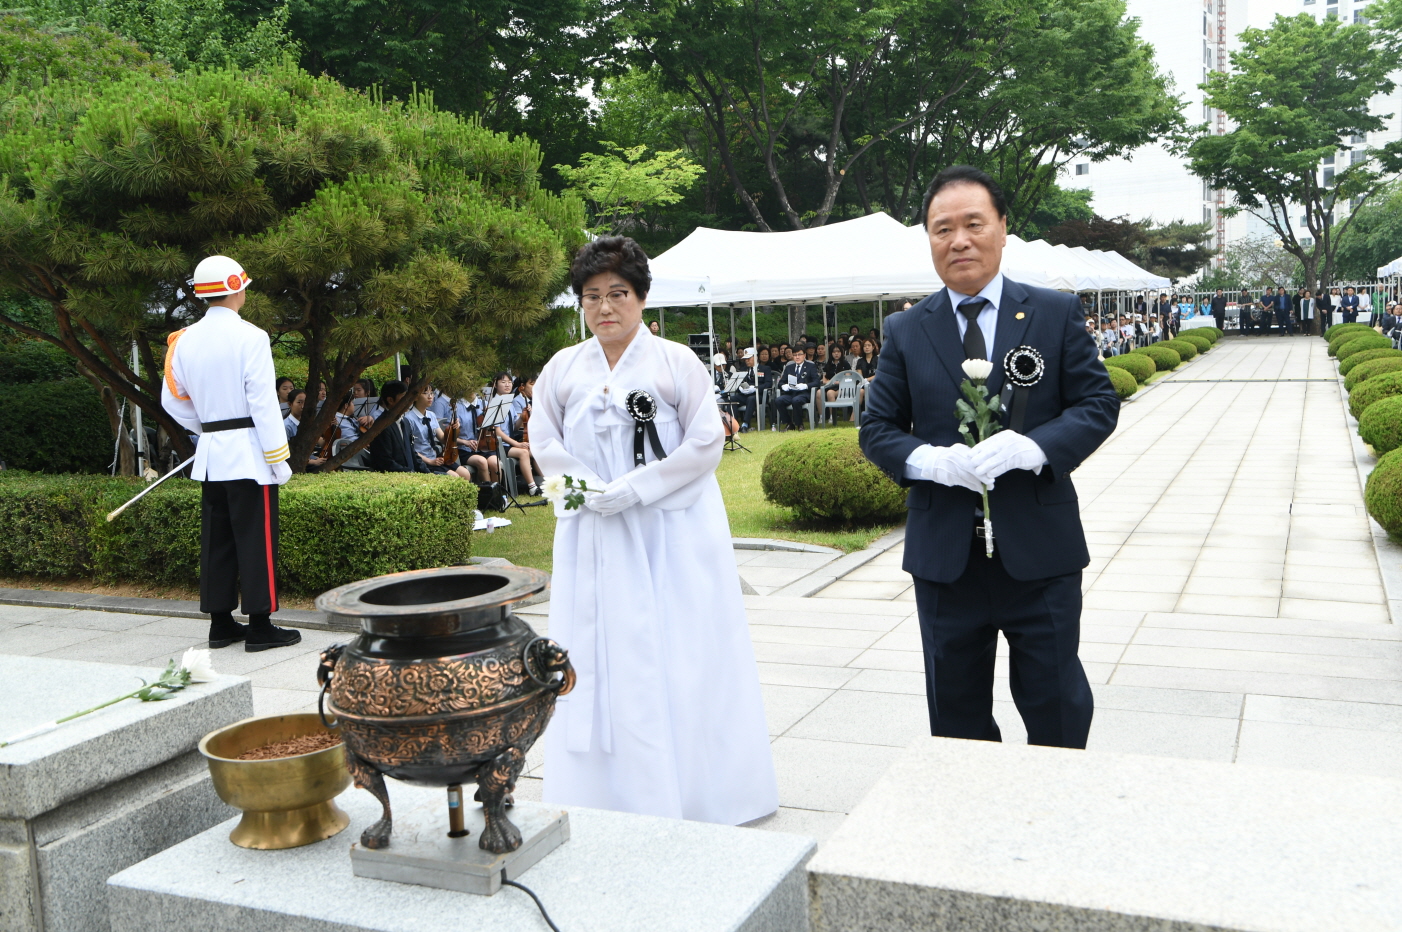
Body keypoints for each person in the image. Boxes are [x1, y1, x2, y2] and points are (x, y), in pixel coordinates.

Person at [859, 165, 1118, 749]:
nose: (959, 241)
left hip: (1040, 550)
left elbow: (1098, 403)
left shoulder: (1053, 312)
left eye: (973, 224)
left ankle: (1056, 795)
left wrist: (1036, 447)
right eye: (942, 229)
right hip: (946, 558)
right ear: (929, 239)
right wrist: (928, 460)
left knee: (1057, 705)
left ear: (1002, 228)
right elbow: (876, 428)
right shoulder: (906, 328)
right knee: (956, 716)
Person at [531, 235, 777, 825]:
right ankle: (601, 792)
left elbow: (705, 440)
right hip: (593, 531)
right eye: (592, 296)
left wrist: (640, 487)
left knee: (680, 650)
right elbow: (544, 440)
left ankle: (695, 792)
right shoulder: (563, 368)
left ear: (641, 297)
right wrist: (589, 492)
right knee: (596, 652)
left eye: (618, 293)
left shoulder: (675, 361)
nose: (605, 307)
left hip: (669, 534)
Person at [161, 255, 300, 652]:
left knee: (217, 540)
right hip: (250, 455)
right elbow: (263, 402)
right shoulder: (251, 336)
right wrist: (278, 458)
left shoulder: (183, 340)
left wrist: (209, 427)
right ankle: (260, 626)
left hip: (212, 455)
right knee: (256, 540)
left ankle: (220, 624)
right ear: (237, 289)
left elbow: (172, 401)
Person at [405, 384, 473, 478]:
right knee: (454, 477)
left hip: (436, 457)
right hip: (423, 461)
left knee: (466, 474)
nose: (430, 396)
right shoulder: (408, 418)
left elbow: (444, 439)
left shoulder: (431, 415)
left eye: (432, 393)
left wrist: (453, 428)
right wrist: (430, 461)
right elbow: (410, 448)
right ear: (416, 397)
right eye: (425, 393)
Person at [367, 381, 426, 473]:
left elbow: (412, 453)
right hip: (396, 477)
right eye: (404, 398)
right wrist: (411, 473)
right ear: (390, 400)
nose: (409, 401)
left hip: (411, 474)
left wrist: (427, 473)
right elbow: (386, 462)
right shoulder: (382, 426)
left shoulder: (405, 422)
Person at [773, 345, 818, 430]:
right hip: (791, 393)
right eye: (795, 355)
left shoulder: (810, 366)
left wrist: (805, 386)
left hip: (804, 393)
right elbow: (781, 382)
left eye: (799, 354)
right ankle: (789, 423)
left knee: (796, 400)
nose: (797, 357)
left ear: (804, 355)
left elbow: (816, 382)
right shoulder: (789, 367)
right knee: (778, 400)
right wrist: (783, 386)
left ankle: (799, 424)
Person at [282, 389, 327, 470]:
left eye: (305, 402)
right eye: (299, 402)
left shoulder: (308, 423)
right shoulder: (286, 426)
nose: (303, 406)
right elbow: (287, 455)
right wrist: (312, 462)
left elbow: (321, 442)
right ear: (290, 404)